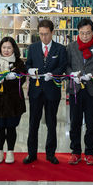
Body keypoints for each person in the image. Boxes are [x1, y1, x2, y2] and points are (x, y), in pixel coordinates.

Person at [24, 19, 67, 165]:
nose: (44, 37)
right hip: (36, 91)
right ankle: (31, 154)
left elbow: (62, 66)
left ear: (52, 32)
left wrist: (53, 74)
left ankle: (50, 153)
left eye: (47, 34)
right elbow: (28, 63)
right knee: (33, 123)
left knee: (51, 122)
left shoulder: (60, 49)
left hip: (52, 91)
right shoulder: (33, 47)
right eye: (41, 34)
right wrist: (29, 70)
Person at [66, 18, 93, 165]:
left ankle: (90, 152)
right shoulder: (71, 47)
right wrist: (72, 74)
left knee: (91, 122)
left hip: (92, 90)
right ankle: (75, 151)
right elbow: (66, 65)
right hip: (75, 89)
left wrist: (91, 75)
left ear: (92, 32)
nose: (85, 36)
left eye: (88, 33)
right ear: (78, 32)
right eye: (82, 33)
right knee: (74, 122)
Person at [0, 37, 27, 164]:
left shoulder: (19, 63)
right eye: (4, 47)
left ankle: (10, 152)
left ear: (14, 48)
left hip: (13, 101)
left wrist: (11, 79)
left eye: (9, 47)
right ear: (0, 48)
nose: (6, 50)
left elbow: (23, 79)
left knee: (11, 127)